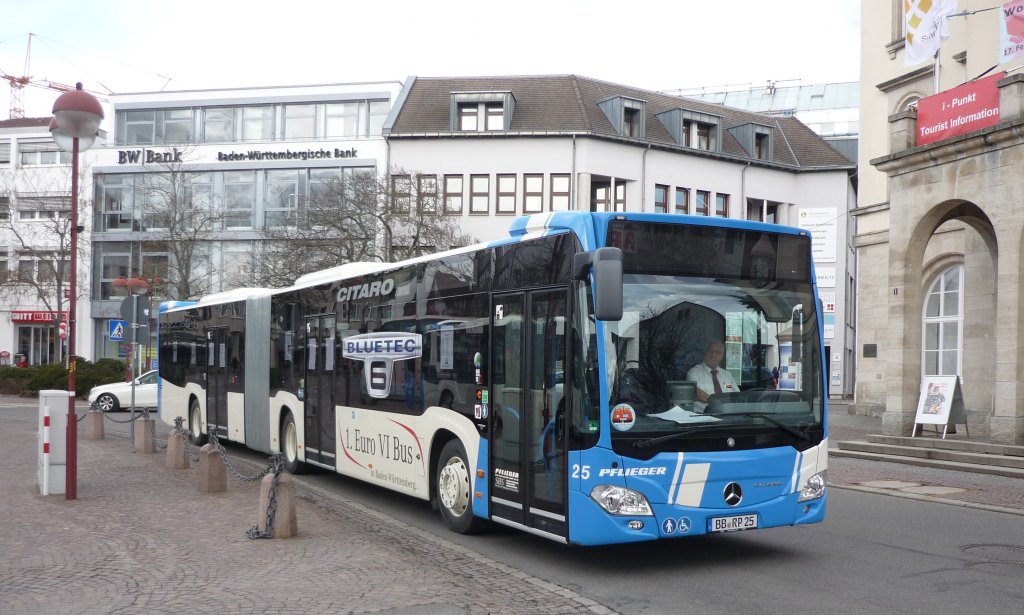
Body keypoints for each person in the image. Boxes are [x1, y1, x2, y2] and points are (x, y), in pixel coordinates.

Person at [686, 340, 738, 410]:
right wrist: (716, 403)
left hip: (727, 415)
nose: (713, 354)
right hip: (703, 417)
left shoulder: (727, 375)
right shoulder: (694, 373)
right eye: (710, 351)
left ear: (722, 355)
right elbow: (696, 392)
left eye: (717, 352)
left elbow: (737, 396)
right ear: (705, 353)